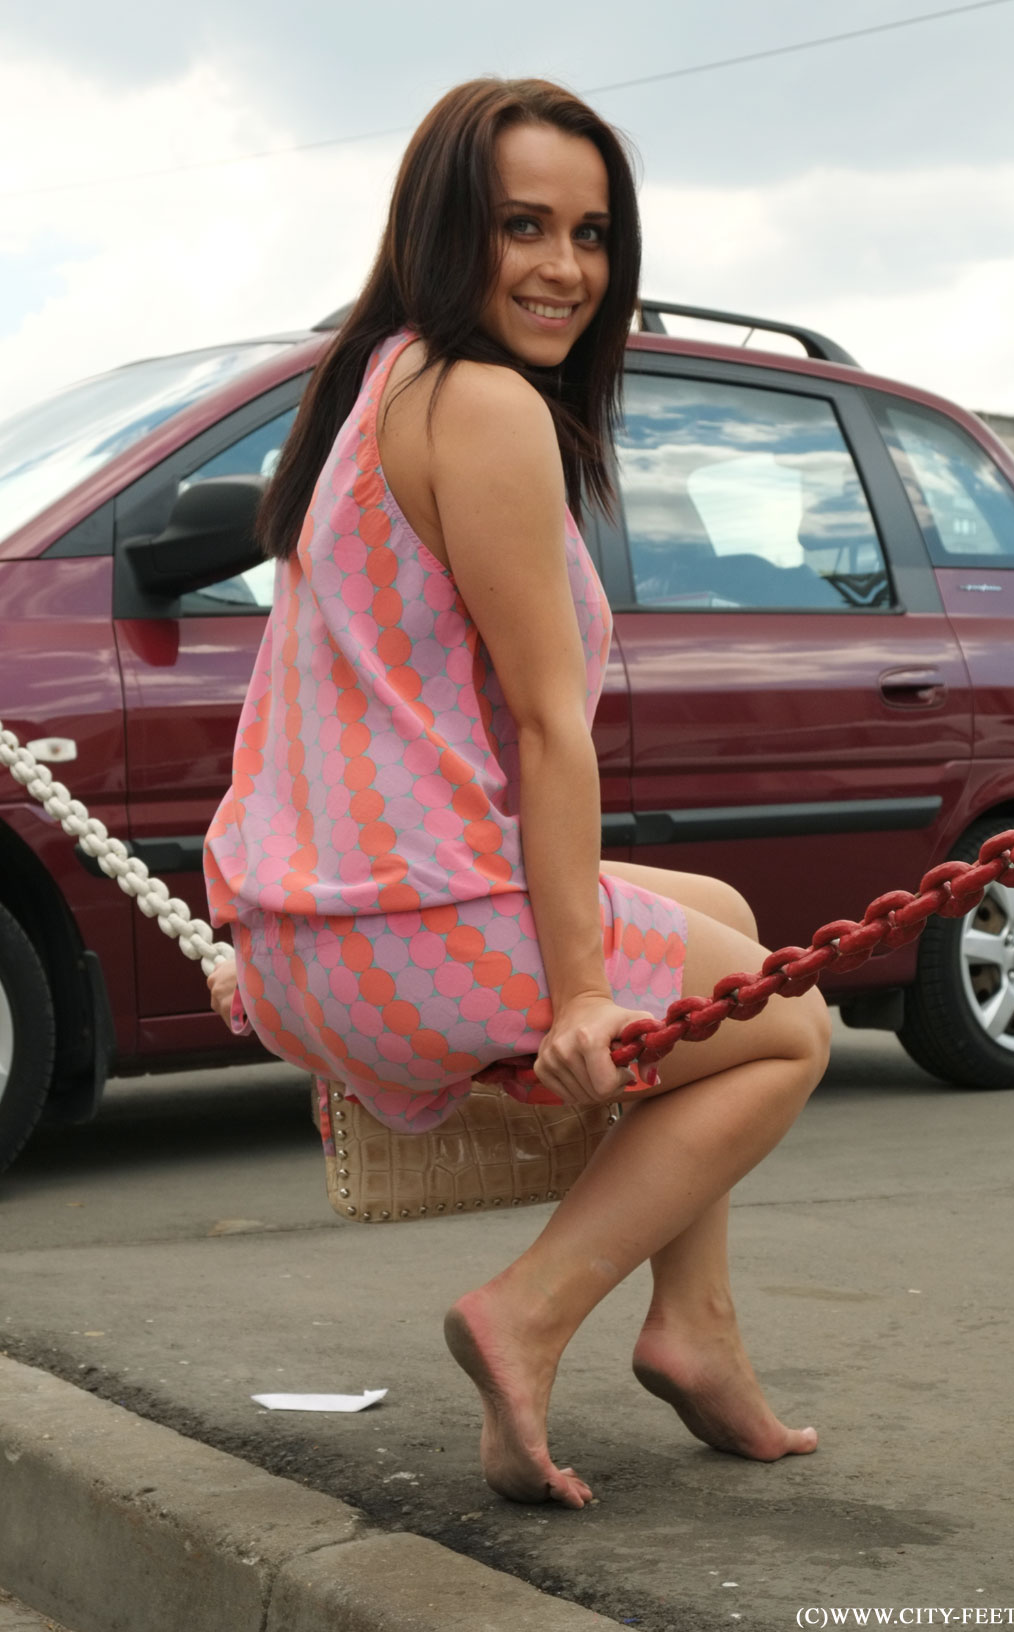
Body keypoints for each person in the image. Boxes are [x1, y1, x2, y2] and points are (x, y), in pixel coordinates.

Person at [204, 76, 831, 1510]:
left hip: (316, 933)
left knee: (724, 911)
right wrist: (583, 994)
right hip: (407, 931)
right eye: (523, 226)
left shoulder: (379, 382)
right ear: (445, 230)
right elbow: (554, 730)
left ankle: (695, 1327)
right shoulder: (485, 403)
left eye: (592, 233)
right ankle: (530, 1312)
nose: (566, 269)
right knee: (791, 1031)